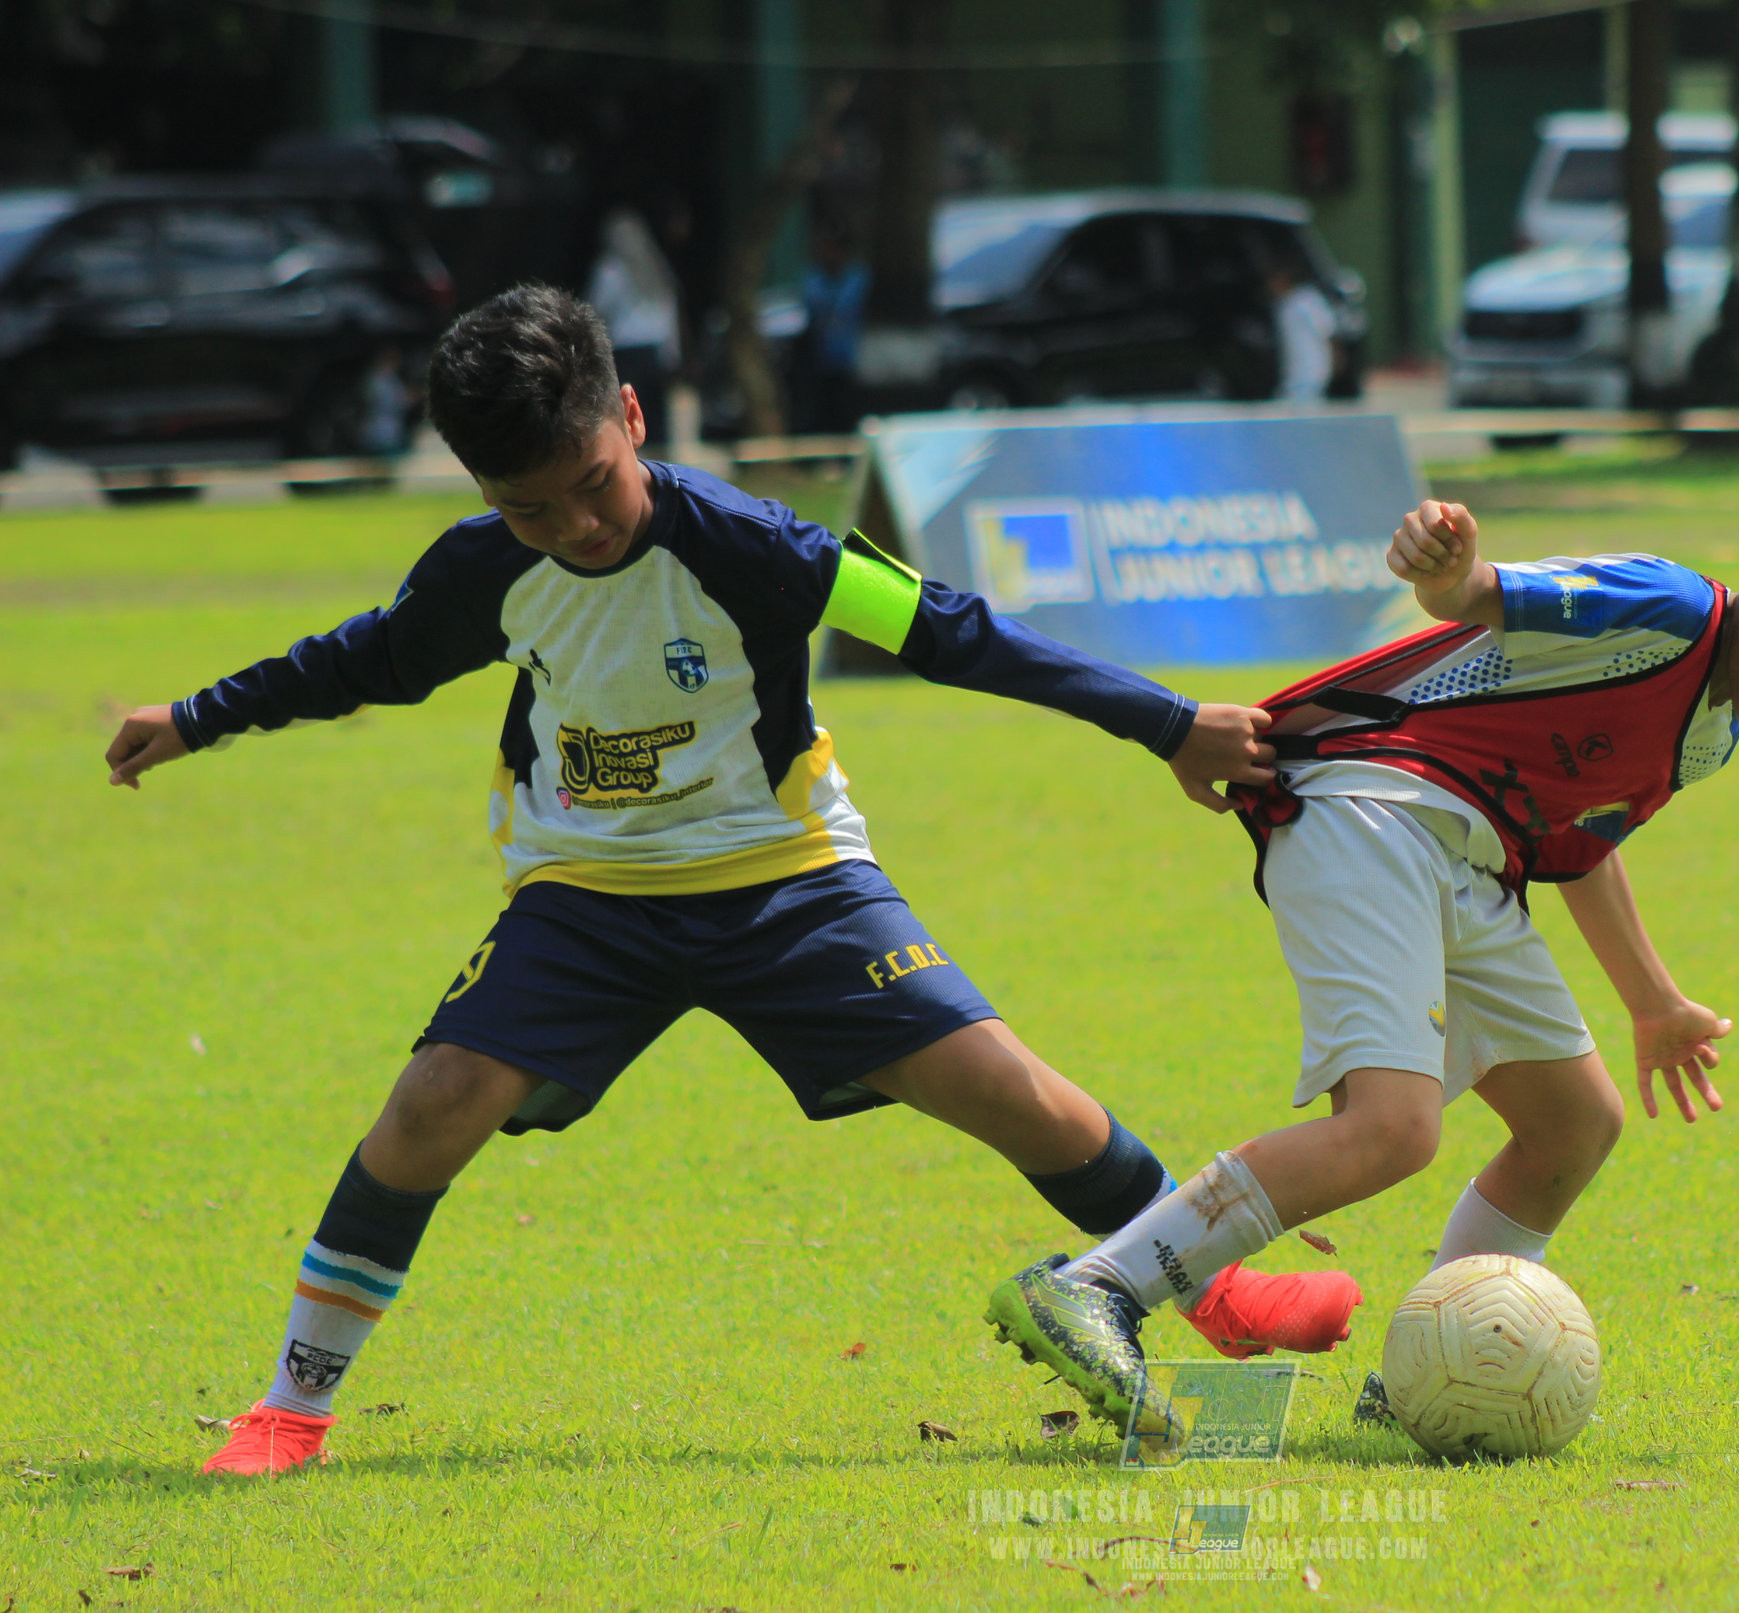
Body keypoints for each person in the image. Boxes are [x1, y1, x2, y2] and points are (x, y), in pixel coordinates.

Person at [103, 285, 1356, 1475]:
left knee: (1006, 1085)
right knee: (436, 1097)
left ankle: (1224, 1289)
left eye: (594, 484)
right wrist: (198, 715)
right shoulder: (482, 566)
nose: (576, 527)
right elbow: (367, 658)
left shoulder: (759, 544)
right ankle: (291, 1404)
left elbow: (952, 629)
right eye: (532, 509)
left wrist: (1164, 722)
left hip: (789, 877)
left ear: (632, 417)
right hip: (586, 890)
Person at [985, 489, 1739, 1442]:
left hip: (1464, 852)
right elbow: (1477, 596)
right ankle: (1097, 1286)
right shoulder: (1670, 610)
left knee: (1571, 1123)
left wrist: (1653, 1000)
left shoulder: (1711, 735)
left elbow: (1580, 845)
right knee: (1391, 1130)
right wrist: (1451, 567)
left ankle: (1412, 1382)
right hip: (1371, 806)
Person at [586, 207, 682, 453]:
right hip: (655, 349)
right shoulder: (656, 266)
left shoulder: (611, 269)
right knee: (657, 420)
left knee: (628, 415)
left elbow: (597, 309)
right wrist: (673, 351)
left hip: (626, 350)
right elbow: (669, 309)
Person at [795, 223, 870, 434]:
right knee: (822, 414)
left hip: (852, 363)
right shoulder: (813, 280)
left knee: (848, 412)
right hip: (820, 362)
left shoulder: (859, 279)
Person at [1268, 258, 1336, 404]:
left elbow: (1327, 331)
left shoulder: (1307, 300)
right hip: (1293, 375)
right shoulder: (1284, 304)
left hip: (1311, 371)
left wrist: (1335, 358)